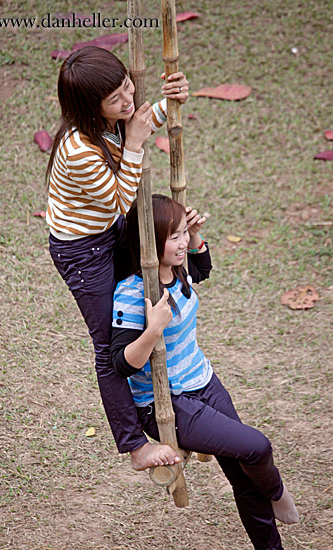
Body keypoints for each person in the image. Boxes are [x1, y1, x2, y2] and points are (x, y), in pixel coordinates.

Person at [111, 194, 299, 550]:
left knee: (243, 479)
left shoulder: (176, 267)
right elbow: (121, 364)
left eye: (184, 233)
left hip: (205, 382)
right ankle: (276, 492)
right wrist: (152, 331)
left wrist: (194, 236)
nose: (183, 244)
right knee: (257, 447)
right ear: (147, 242)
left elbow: (203, 269)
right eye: (175, 237)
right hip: (167, 402)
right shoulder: (132, 294)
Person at [45, 45, 189, 461]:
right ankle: (134, 446)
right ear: (92, 107)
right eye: (116, 99)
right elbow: (119, 199)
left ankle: (183, 400)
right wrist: (138, 144)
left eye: (128, 88)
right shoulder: (77, 150)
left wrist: (172, 99)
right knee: (108, 346)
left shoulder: (108, 121)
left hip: (108, 232)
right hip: (82, 251)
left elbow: (140, 120)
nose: (128, 101)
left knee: (153, 297)